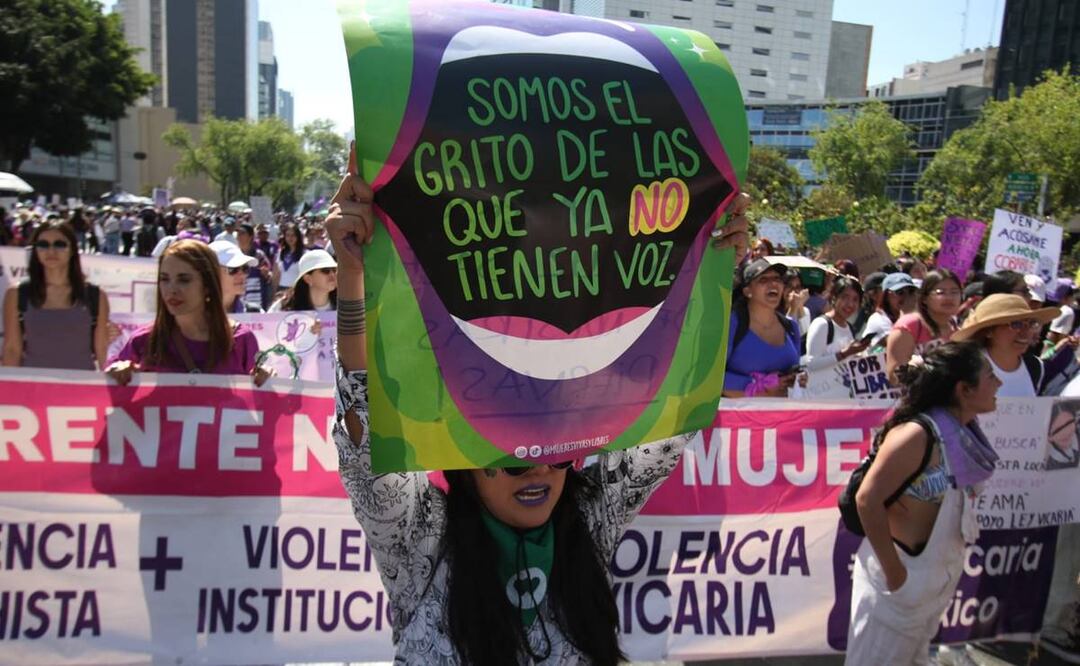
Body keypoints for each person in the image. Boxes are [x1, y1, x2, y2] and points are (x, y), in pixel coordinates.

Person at [329, 160, 750, 664]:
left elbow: (674, 405)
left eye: (559, 455)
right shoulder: (420, 541)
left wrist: (710, 258)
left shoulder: (590, 518)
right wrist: (352, 274)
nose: (540, 470)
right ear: (464, 460)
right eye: (515, 458)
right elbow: (363, 436)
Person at [847, 341, 1002, 665]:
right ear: (964, 389)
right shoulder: (917, 435)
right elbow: (867, 499)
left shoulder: (963, 434)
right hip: (898, 587)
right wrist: (897, 577)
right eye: (990, 376)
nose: (998, 382)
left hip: (929, 589)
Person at [105, 239, 268, 385]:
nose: (171, 290)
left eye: (184, 280)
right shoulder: (143, 341)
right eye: (164, 279)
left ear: (207, 285)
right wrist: (117, 373)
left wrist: (267, 381)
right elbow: (111, 403)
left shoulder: (242, 340)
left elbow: (259, 407)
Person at [2, 221, 110, 369]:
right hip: (33, 386)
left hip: (82, 388)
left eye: (59, 244)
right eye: (43, 245)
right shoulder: (16, 294)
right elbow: (12, 350)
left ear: (72, 250)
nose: (51, 251)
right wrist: (10, 390)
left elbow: (102, 350)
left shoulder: (96, 296)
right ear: (35, 251)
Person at [951, 294, 1059, 396]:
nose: (1025, 332)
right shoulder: (967, 366)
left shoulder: (1035, 366)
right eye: (1016, 324)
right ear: (989, 331)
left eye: (1031, 323)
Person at [723, 258, 801, 397]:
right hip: (739, 417)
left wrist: (798, 379)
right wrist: (760, 386)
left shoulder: (791, 326)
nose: (774, 284)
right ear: (747, 291)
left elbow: (796, 370)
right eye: (763, 280)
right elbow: (712, 378)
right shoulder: (731, 325)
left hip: (782, 416)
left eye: (777, 278)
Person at [885, 269, 962, 384]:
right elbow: (895, 376)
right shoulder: (909, 326)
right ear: (925, 298)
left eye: (954, 292)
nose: (949, 297)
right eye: (941, 292)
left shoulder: (956, 327)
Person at [803, 276, 869, 370]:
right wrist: (844, 353)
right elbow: (811, 363)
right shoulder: (822, 324)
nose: (850, 304)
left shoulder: (849, 328)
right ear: (834, 298)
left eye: (855, 299)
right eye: (845, 298)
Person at [860, 273, 918, 350]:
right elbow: (899, 345)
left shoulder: (919, 314)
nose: (906, 297)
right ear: (887, 296)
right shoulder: (877, 319)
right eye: (900, 292)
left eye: (911, 291)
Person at [269, 249, 337, 312]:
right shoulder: (282, 307)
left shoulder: (344, 305)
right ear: (308, 279)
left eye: (334, 270)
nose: (332, 275)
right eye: (325, 271)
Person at [210, 240, 262, 314]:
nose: (243, 275)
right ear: (212, 273)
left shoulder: (255, 313)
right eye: (233, 269)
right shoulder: (194, 317)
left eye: (245, 268)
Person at [236, 223, 273, 310]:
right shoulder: (234, 255)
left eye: (242, 233)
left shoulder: (259, 255)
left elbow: (269, 276)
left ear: (250, 237)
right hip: (239, 295)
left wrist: (266, 274)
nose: (239, 237)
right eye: (238, 234)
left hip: (256, 297)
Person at [275, 222, 306, 292]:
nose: (290, 238)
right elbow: (277, 274)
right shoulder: (281, 252)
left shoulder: (305, 253)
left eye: (293, 235)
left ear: (298, 237)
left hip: (298, 290)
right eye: (287, 235)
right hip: (282, 289)